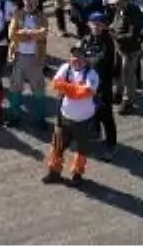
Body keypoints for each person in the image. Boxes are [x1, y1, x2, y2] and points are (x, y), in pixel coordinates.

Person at [43, 45, 99, 187]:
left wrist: (67, 88)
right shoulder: (65, 68)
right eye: (74, 56)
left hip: (84, 120)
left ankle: (77, 174)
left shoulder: (92, 74)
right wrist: (74, 89)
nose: (76, 59)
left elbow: (85, 93)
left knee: (81, 149)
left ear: (86, 59)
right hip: (64, 116)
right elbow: (56, 84)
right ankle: (54, 172)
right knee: (57, 146)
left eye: (80, 56)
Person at [7, 0, 49, 130]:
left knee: (38, 89)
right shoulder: (18, 14)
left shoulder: (42, 16)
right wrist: (32, 34)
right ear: (23, 1)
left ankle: (40, 118)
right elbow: (12, 34)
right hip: (18, 56)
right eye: (26, 0)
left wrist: (25, 33)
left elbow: (43, 33)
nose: (29, 3)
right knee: (15, 88)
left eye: (31, 0)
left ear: (36, 2)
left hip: (35, 57)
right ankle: (14, 116)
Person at [79, 12, 117, 161]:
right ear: (89, 24)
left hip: (103, 84)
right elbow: (79, 56)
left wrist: (86, 59)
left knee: (106, 115)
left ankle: (111, 145)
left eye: (100, 24)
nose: (96, 26)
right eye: (93, 23)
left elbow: (100, 60)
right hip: (88, 83)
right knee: (91, 110)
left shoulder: (108, 42)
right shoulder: (86, 39)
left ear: (105, 26)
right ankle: (96, 133)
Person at [109, 0, 143, 115]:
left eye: (117, 2)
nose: (114, 4)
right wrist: (110, 28)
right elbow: (115, 24)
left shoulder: (133, 14)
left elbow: (131, 35)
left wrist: (114, 36)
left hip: (130, 50)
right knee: (119, 71)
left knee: (128, 77)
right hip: (120, 48)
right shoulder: (119, 10)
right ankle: (118, 93)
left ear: (125, 1)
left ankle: (128, 102)